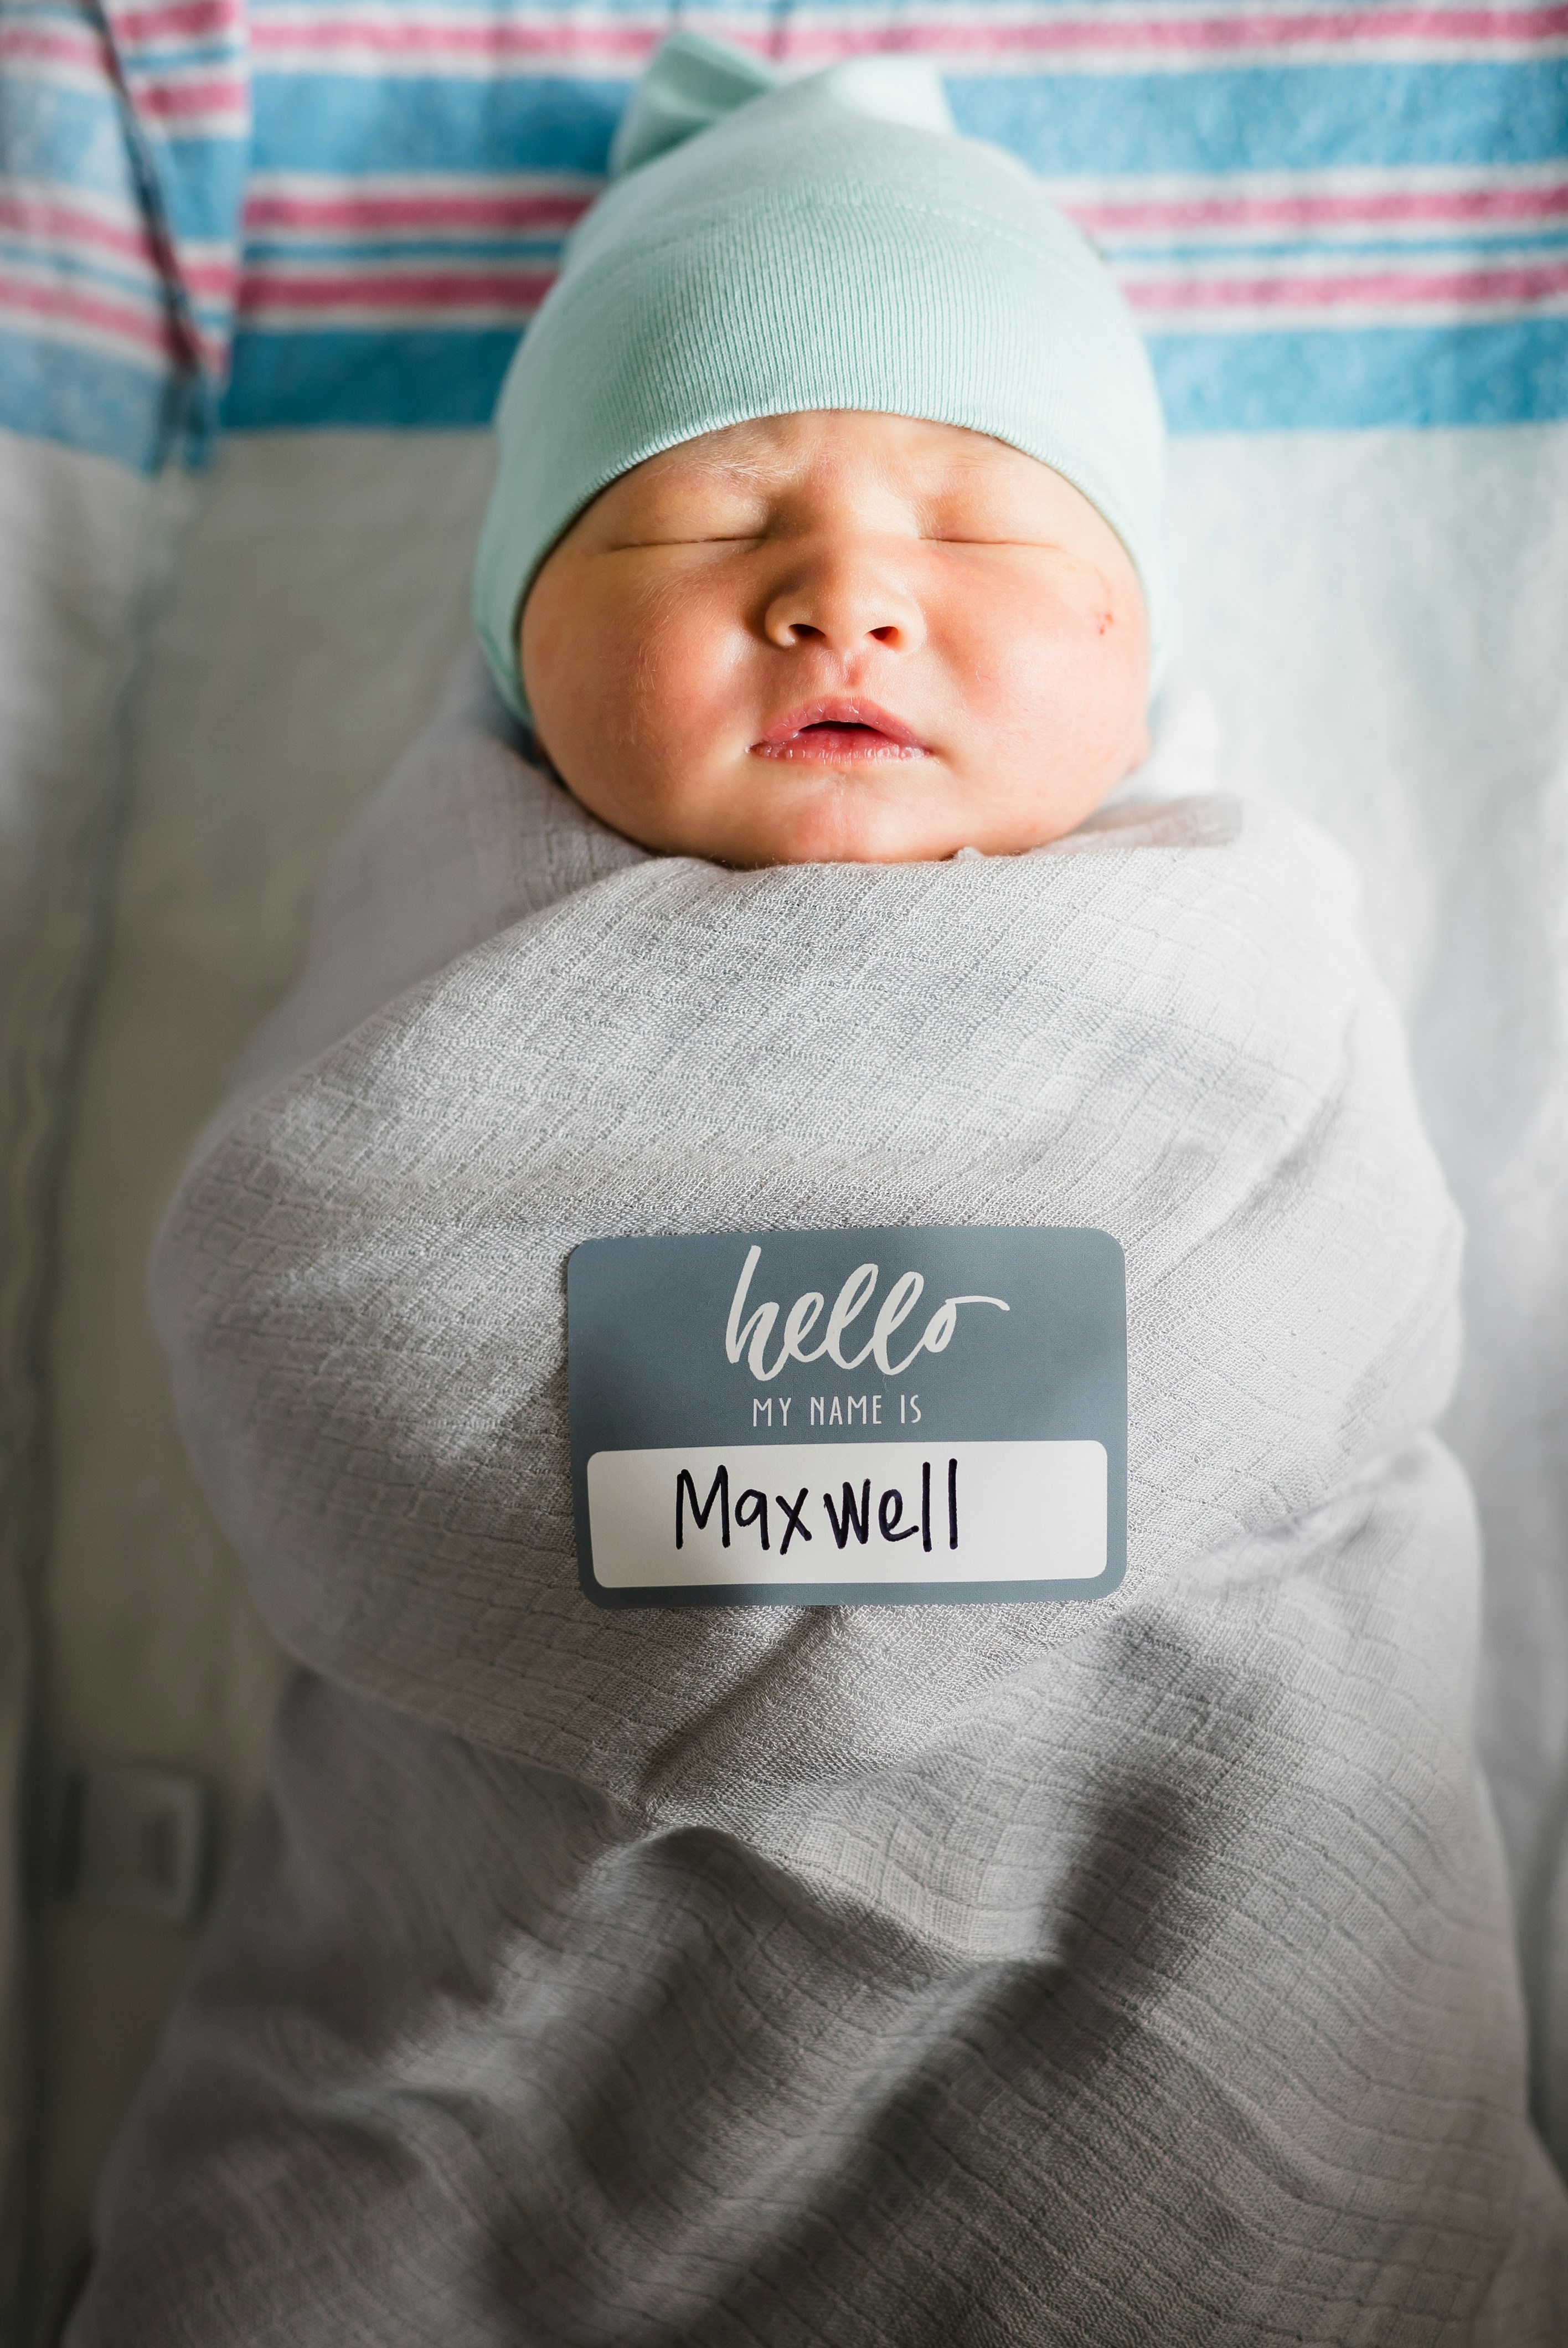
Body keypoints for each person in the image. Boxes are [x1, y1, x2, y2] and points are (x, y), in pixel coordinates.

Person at [68, 36, 1568, 2344]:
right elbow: (310, 1303)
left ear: (1140, 635)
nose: (846, 593)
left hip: (1163, 1947)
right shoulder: (430, 978)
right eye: (700, 520)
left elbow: (1335, 1329)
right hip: (523, 2079)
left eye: (977, 525)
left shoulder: (1235, 966)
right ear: (517, 643)